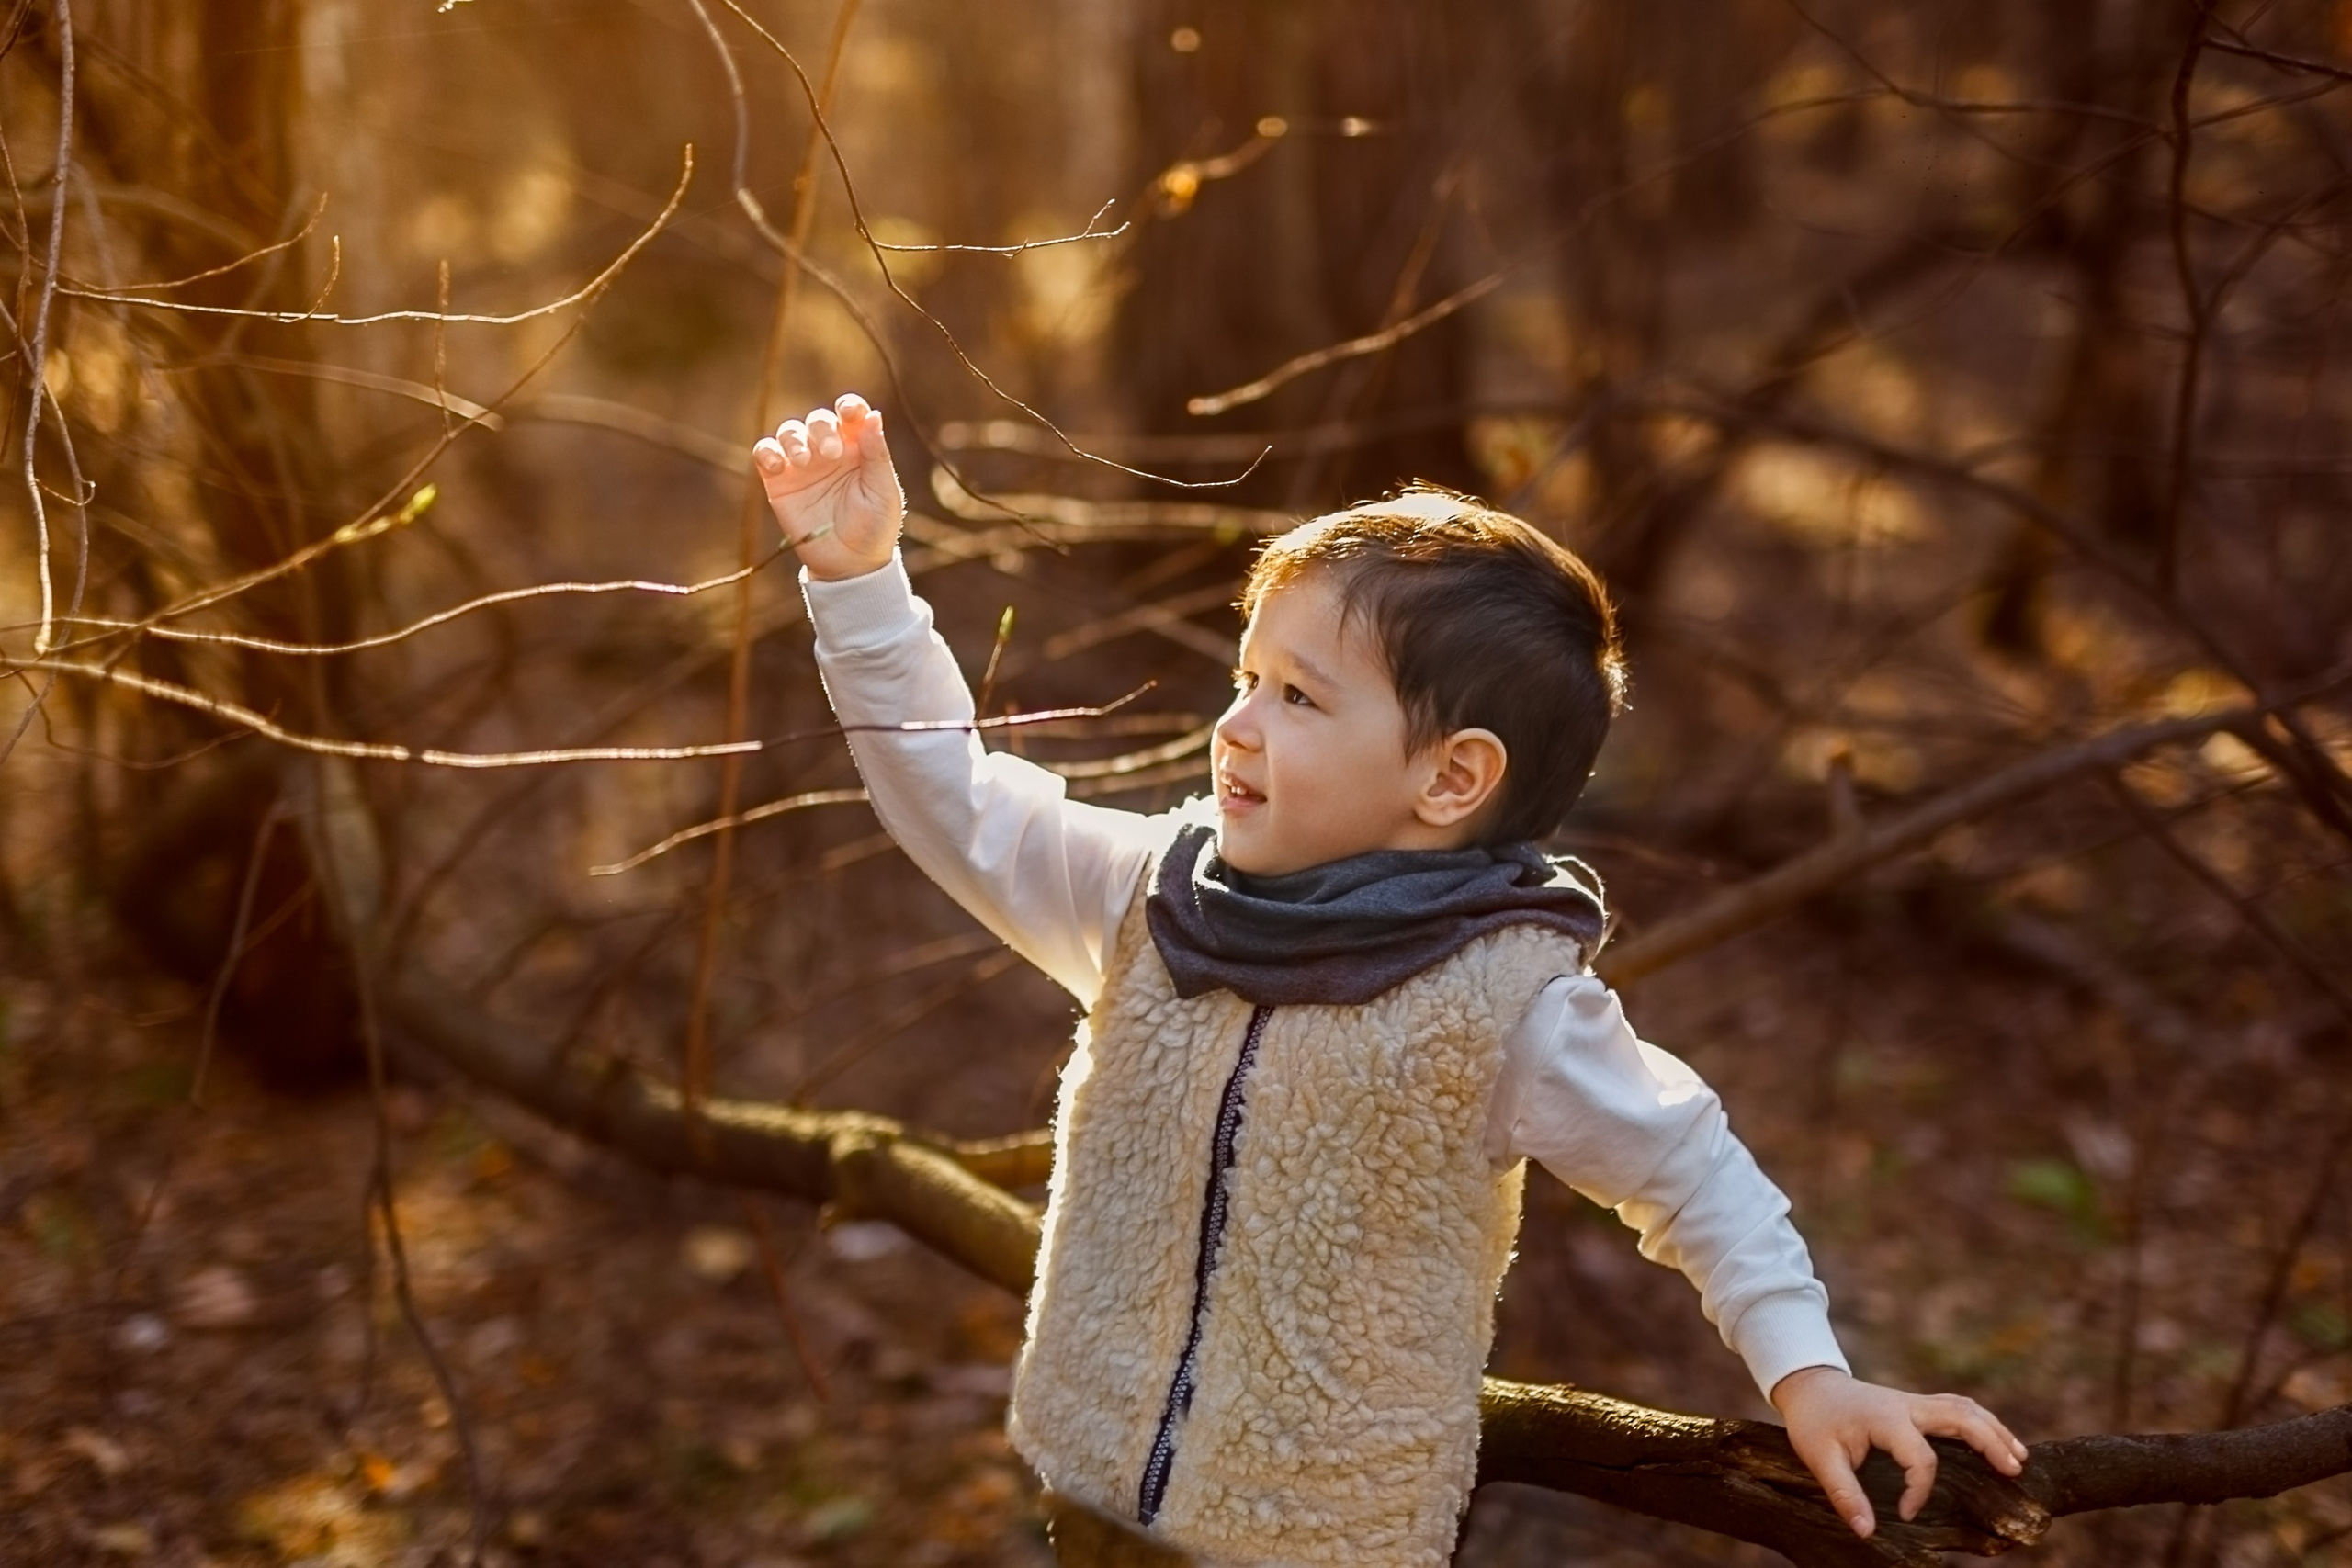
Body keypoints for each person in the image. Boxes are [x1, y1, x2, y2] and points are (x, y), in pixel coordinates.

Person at [752, 392, 2026, 1566]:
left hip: (1320, 1538)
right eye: (1246, 678)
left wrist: (1810, 1374)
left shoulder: (1501, 1004)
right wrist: (860, 583)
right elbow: (957, 801)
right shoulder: (1153, 900)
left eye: (1300, 698)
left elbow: (1694, 1174)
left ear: (1451, 777)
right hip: (1092, 1494)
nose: (1237, 724)